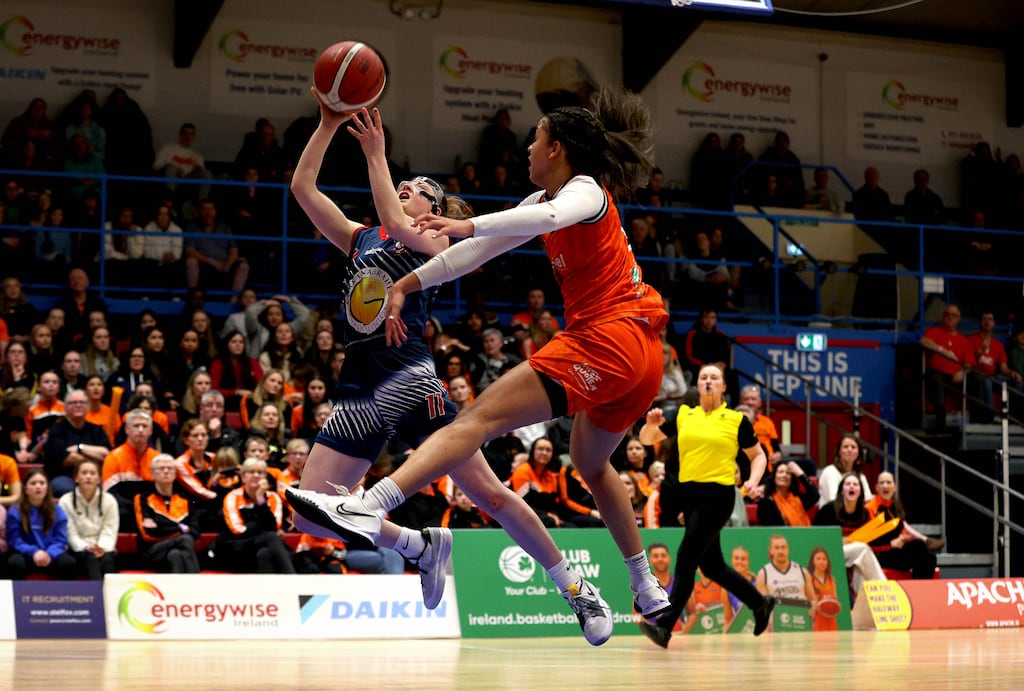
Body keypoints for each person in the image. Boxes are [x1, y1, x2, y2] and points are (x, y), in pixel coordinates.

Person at [285, 92, 666, 645]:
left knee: (482, 454)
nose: (527, 146)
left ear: (556, 147)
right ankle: (640, 583)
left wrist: (411, 185)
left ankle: (376, 507)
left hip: (442, 367)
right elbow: (480, 246)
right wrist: (408, 282)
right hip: (360, 382)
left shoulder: (576, 193)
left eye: (536, 138)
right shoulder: (365, 239)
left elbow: (531, 219)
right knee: (589, 463)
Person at [634, 364, 774, 648]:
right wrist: (650, 425)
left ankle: (664, 627)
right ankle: (760, 603)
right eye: (703, 377)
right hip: (690, 495)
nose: (708, 381)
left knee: (686, 557)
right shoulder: (684, 415)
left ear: (723, 387)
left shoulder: (735, 420)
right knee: (712, 567)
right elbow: (646, 440)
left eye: (714, 378)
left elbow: (758, 456)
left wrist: (753, 480)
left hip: (719, 495)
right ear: (697, 385)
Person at [215, 457, 295, 574]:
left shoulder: (273, 497)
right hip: (237, 547)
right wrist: (260, 527)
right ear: (243, 477)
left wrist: (260, 499)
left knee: (264, 553)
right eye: (251, 472)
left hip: (262, 546)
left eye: (260, 473)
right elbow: (237, 530)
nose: (256, 475)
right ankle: (292, 580)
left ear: (265, 477)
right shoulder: (232, 496)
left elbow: (274, 526)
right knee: (271, 538)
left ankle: (267, 591)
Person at [813, 472, 889, 596]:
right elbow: (814, 538)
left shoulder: (864, 514)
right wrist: (837, 540)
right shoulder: (828, 510)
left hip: (853, 556)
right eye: (848, 484)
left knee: (860, 561)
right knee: (862, 549)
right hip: (827, 553)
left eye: (855, 484)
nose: (852, 487)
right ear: (842, 490)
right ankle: (884, 591)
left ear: (860, 492)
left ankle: (864, 606)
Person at [865, 471, 941, 579]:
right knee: (919, 546)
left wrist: (903, 538)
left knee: (930, 558)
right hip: (880, 554)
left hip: (896, 552)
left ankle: (920, 592)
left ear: (894, 487)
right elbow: (868, 540)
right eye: (882, 483)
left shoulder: (895, 506)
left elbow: (902, 532)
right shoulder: (869, 508)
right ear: (876, 487)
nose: (885, 486)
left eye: (888, 482)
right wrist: (890, 544)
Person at [133, 453, 201, 573]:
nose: (166, 471)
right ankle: (197, 585)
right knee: (185, 539)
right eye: (161, 468)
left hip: (174, 553)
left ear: (175, 474)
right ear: (152, 474)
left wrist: (163, 526)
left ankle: (180, 591)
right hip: (152, 551)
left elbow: (195, 531)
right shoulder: (143, 498)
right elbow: (148, 534)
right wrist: (180, 529)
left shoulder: (186, 499)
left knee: (175, 555)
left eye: (170, 468)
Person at [5, 469, 77, 579]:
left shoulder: (58, 511)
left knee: (68, 563)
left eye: (42, 483)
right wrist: (34, 552)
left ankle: (66, 595)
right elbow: (15, 540)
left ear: (47, 488)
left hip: (50, 556)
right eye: (33, 483)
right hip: (27, 556)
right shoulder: (15, 511)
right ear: (25, 489)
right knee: (15, 562)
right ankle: (20, 595)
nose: (38, 487)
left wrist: (49, 554)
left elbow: (61, 540)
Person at [41, 389, 112, 497]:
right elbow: (65, 459)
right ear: (65, 407)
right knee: (69, 489)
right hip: (64, 476)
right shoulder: (56, 430)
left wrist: (79, 448)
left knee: (108, 489)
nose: (78, 405)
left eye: (82, 402)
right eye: (73, 402)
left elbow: (107, 454)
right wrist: (93, 458)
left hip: (93, 477)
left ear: (88, 406)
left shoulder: (97, 430)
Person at [920, 304, 979, 431]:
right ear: (943, 317)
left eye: (954, 315)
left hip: (956, 375)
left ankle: (978, 421)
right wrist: (942, 350)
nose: (950, 317)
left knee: (977, 381)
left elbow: (969, 363)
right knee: (936, 382)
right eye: (947, 314)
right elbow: (924, 341)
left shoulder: (964, 340)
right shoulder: (935, 331)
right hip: (937, 372)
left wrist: (963, 373)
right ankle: (941, 425)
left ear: (958, 319)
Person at [58, 458, 119, 580]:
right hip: (78, 549)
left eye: (92, 473)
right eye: (84, 473)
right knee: (89, 558)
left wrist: (101, 547)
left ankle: (110, 597)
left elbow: (110, 530)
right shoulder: (66, 501)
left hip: (104, 547)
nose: (88, 477)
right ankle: (97, 595)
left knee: (108, 559)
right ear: (76, 478)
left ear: (99, 479)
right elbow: (71, 533)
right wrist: (86, 547)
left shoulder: (109, 500)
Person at [183, 199, 250, 294]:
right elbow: (189, 251)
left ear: (215, 211)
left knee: (243, 266)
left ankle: (233, 300)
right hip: (204, 266)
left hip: (224, 266)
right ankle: (193, 296)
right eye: (204, 209)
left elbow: (234, 251)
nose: (208, 213)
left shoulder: (224, 228)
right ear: (199, 212)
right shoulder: (192, 228)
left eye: (211, 209)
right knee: (191, 261)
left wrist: (228, 264)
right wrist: (211, 261)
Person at [969, 311, 1022, 422]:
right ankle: (990, 414)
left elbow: (1003, 367)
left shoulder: (997, 344)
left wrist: (1011, 372)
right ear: (980, 322)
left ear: (994, 323)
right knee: (987, 381)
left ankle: (1013, 416)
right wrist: (980, 351)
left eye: (990, 319)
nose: (987, 322)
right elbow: (969, 362)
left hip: (993, 376)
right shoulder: (971, 340)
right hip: (976, 375)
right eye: (984, 319)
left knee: (1018, 382)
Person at [755, 534, 817, 617]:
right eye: (777, 548)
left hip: (801, 620)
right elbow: (763, 606)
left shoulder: (802, 571)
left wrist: (813, 607)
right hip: (778, 623)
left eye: (783, 547)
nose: (780, 551)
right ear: (771, 550)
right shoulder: (763, 574)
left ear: (788, 550)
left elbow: (813, 600)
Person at [817, 434, 874, 508]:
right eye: (845, 447)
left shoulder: (861, 476)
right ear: (839, 452)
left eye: (853, 447)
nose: (850, 450)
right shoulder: (830, 472)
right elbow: (834, 501)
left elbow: (868, 501)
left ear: (858, 453)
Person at [756, 461, 818, 527]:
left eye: (788, 473)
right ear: (774, 476)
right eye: (781, 472)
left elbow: (815, 495)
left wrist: (800, 474)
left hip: (804, 536)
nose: (784, 475)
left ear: (792, 478)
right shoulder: (766, 502)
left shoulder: (798, 498)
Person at [738, 384, 783, 469]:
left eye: (753, 399)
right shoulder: (734, 421)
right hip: (741, 466)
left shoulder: (767, 422)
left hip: (766, 467)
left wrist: (777, 454)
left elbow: (776, 446)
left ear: (759, 402)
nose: (750, 402)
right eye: (746, 399)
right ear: (741, 402)